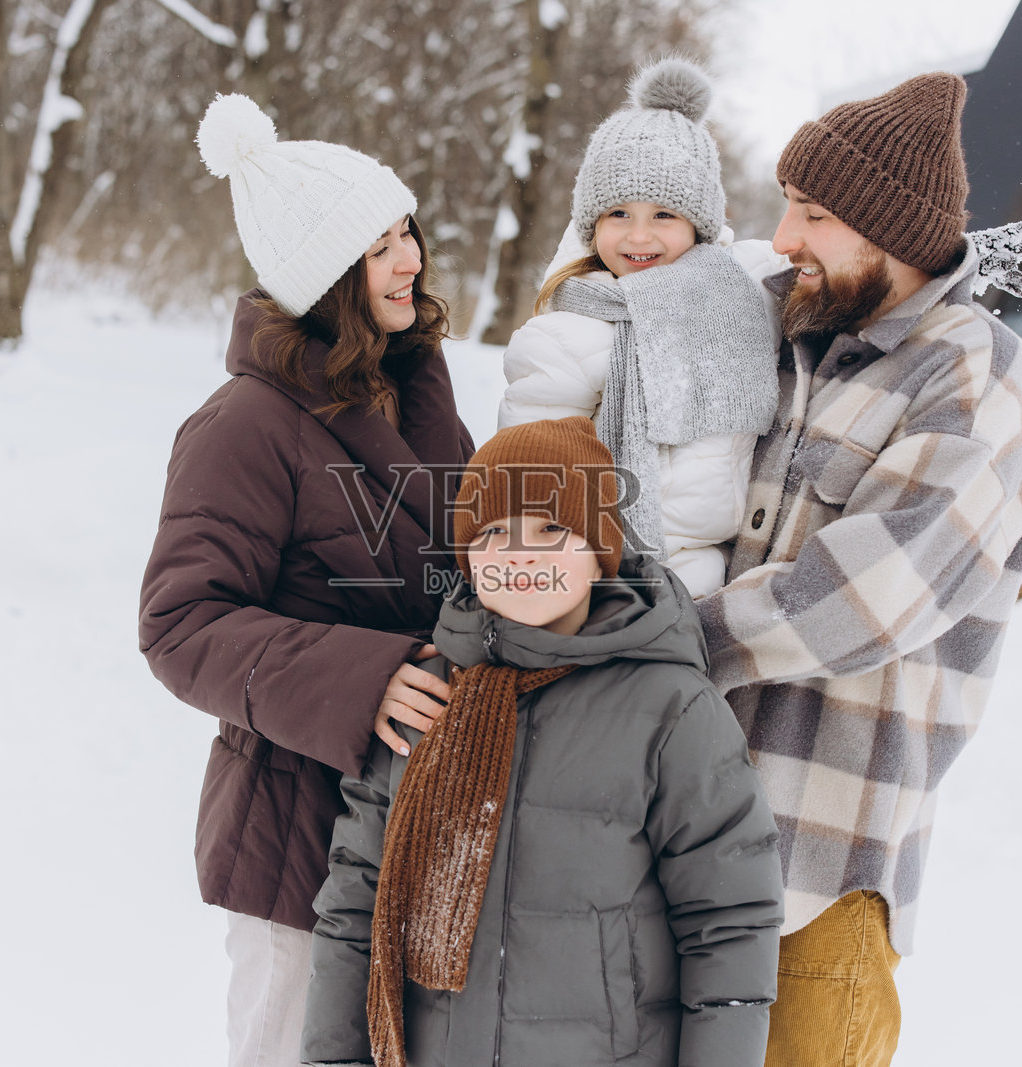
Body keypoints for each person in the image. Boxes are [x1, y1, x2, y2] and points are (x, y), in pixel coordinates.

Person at [693, 72, 1022, 1066]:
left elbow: (868, 591)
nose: (780, 237)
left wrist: (667, 638)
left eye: (810, 213)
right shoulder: (768, 330)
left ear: (882, 231)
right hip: (669, 847)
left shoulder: (972, 374)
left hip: (813, 872)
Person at [138, 93, 474, 1066]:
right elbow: (180, 624)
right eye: (377, 245)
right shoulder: (243, 423)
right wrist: (363, 679)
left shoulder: (418, 400)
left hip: (420, 829)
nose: (410, 256)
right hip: (297, 846)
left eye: (405, 228)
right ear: (325, 275)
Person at [299, 417, 785, 1067]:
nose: (520, 554)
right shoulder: (426, 697)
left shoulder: (672, 711)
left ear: (598, 547)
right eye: (494, 532)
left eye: (550, 529)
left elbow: (728, 924)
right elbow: (356, 900)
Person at [498, 58, 781, 599]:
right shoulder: (565, 333)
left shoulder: (743, 295)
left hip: (717, 577)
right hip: (600, 577)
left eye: (664, 216)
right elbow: (528, 482)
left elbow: (840, 274)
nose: (639, 236)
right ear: (591, 224)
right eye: (618, 215)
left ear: (700, 225)